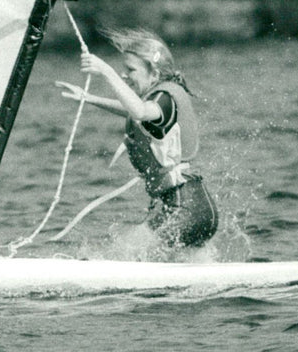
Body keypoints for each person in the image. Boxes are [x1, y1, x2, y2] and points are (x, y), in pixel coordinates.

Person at [56, 27, 218, 249]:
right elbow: (135, 112)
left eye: (130, 70)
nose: (125, 75)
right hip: (196, 210)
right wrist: (88, 98)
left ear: (154, 74)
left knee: (124, 250)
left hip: (185, 210)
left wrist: (105, 70)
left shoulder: (165, 98)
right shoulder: (161, 98)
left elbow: (140, 112)